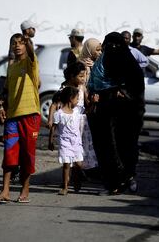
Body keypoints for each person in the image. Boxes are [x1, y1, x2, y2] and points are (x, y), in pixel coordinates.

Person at [88, 32, 145, 195]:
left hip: (125, 113)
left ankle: (127, 178)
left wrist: (122, 92)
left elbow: (136, 86)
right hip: (103, 111)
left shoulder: (128, 63)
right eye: (109, 45)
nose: (112, 49)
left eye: (116, 45)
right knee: (106, 146)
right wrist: (94, 94)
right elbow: (93, 83)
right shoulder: (101, 61)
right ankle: (114, 183)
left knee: (123, 145)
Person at [0, 33, 41, 204]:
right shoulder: (11, 67)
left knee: (27, 155)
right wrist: (1, 107)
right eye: (14, 43)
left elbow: (32, 55)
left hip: (30, 116)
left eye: (21, 43)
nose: (17, 46)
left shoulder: (30, 64)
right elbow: (7, 92)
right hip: (12, 117)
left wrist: (30, 43)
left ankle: (25, 188)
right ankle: (5, 191)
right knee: (9, 154)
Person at [48, 61, 98, 172]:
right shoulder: (65, 89)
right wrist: (50, 119)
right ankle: (69, 176)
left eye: (84, 76)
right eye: (80, 76)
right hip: (68, 124)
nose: (83, 79)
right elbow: (54, 104)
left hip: (81, 124)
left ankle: (79, 172)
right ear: (72, 76)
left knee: (81, 150)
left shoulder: (82, 88)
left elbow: (88, 105)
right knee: (68, 150)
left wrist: (94, 102)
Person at [49, 86, 84, 196]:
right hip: (65, 142)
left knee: (78, 164)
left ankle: (77, 181)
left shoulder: (77, 111)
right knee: (66, 165)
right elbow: (53, 128)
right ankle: (65, 187)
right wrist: (51, 141)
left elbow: (89, 111)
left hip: (76, 142)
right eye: (77, 98)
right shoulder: (59, 114)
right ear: (70, 98)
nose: (78, 101)